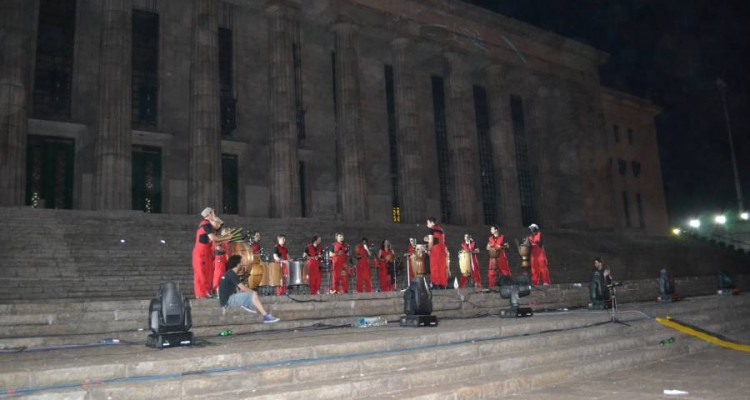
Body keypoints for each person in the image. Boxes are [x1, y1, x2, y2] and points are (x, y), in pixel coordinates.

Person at [219, 255, 279, 323]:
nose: (241, 265)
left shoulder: (229, 273)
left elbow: (238, 289)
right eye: (240, 263)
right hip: (228, 301)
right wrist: (253, 292)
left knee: (248, 293)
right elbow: (243, 288)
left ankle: (246, 304)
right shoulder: (232, 274)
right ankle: (266, 316)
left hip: (227, 300)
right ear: (237, 264)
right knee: (253, 294)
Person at [192, 207, 231, 299]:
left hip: (205, 253)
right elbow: (213, 238)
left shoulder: (208, 226)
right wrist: (226, 238)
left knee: (206, 274)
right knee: (201, 274)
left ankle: (206, 292)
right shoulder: (206, 225)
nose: (214, 214)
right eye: (213, 212)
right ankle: (201, 294)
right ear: (208, 214)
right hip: (201, 254)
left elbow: (214, 241)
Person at [211, 220, 231, 296]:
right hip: (219, 259)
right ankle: (218, 294)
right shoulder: (219, 239)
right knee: (219, 276)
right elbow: (218, 248)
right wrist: (225, 250)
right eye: (227, 233)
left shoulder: (226, 241)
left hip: (224, 260)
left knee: (224, 276)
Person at [426, 217, 448, 289]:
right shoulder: (441, 229)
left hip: (435, 249)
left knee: (434, 266)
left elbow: (431, 241)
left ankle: (435, 284)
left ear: (432, 223)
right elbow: (443, 240)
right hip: (442, 249)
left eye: (428, 223)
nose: (427, 225)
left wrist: (428, 249)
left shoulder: (431, 229)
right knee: (442, 266)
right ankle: (442, 284)